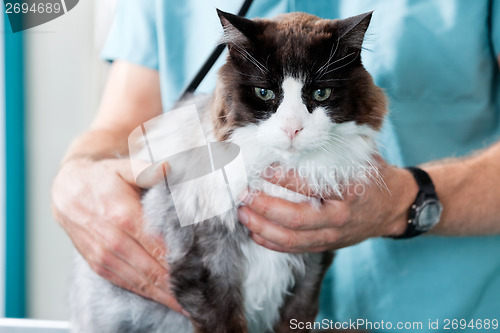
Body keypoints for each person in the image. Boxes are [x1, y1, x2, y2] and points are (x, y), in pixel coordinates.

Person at [51, 0, 500, 329]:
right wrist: (75, 175)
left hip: (441, 314)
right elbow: (121, 125)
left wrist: (405, 199)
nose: (291, 128)